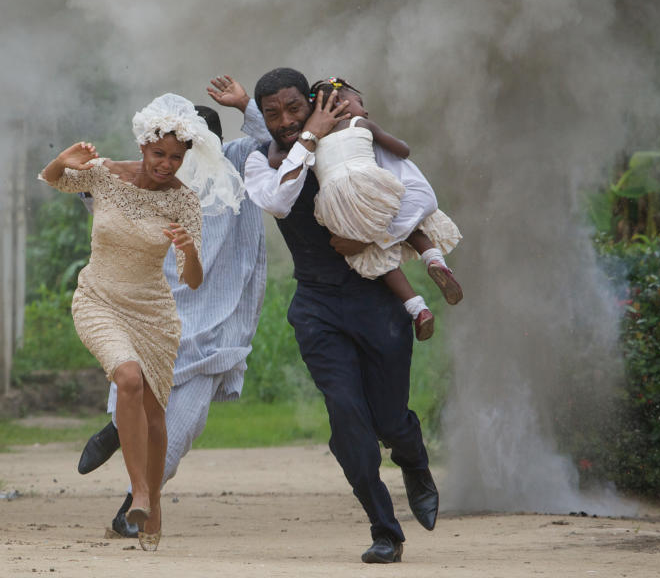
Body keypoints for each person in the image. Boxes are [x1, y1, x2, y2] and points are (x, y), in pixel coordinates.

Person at [242, 67, 439, 564]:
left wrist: (371, 236)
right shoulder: (261, 161)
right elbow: (278, 201)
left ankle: (413, 460)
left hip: (377, 300)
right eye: (272, 114)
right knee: (348, 419)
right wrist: (307, 139)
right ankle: (384, 529)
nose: (284, 121)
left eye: (293, 109)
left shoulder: (356, 141)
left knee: (390, 421)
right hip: (317, 307)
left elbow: (420, 198)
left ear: (312, 102)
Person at [39, 93, 243, 551]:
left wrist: (188, 250)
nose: (166, 164)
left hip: (154, 314)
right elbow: (54, 180)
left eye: (176, 157)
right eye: (159, 154)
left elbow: (192, 281)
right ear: (143, 146)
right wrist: (63, 159)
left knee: (154, 412)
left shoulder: (184, 202)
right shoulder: (107, 175)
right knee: (127, 377)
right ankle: (143, 493)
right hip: (98, 300)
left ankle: (153, 517)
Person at [76, 77, 270, 539]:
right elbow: (97, 198)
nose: (175, 164)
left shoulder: (238, 164)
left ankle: (134, 506)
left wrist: (246, 104)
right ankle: (114, 433)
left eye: (190, 153)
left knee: (182, 424)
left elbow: (269, 141)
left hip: (218, 321)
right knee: (131, 393)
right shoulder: (149, 182)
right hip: (151, 311)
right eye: (168, 154)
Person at [304, 76, 463, 340]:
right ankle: (435, 261)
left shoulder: (313, 139)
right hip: (368, 182)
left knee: (377, 254)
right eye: (359, 102)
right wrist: (380, 139)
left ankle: (417, 308)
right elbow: (402, 150)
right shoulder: (360, 123)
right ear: (341, 103)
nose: (364, 110)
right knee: (404, 216)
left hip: (335, 204)